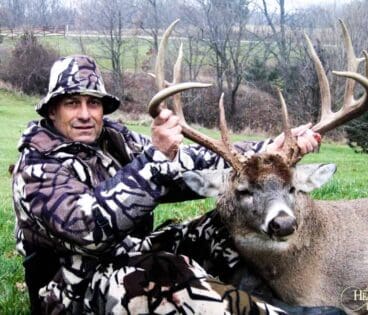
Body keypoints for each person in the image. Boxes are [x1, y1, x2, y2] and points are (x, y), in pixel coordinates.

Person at [12, 55, 326, 315]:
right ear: (52, 109)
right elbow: (88, 231)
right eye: (72, 103)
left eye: (92, 103)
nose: (84, 114)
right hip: (71, 290)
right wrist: (154, 160)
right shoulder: (38, 165)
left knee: (220, 225)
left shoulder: (112, 139)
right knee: (165, 274)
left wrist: (274, 147)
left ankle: (262, 302)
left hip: (130, 252)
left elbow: (192, 160)